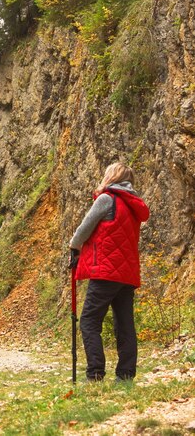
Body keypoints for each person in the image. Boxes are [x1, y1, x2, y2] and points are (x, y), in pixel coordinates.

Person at [69, 162, 150, 383]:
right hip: (128, 273)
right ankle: (125, 375)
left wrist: (73, 246)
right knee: (124, 323)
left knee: (89, 320)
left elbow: (84, 229)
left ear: (111, 176)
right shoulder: (133, 206)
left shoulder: (107, 199)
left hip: (106, 271)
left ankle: (95, 373)